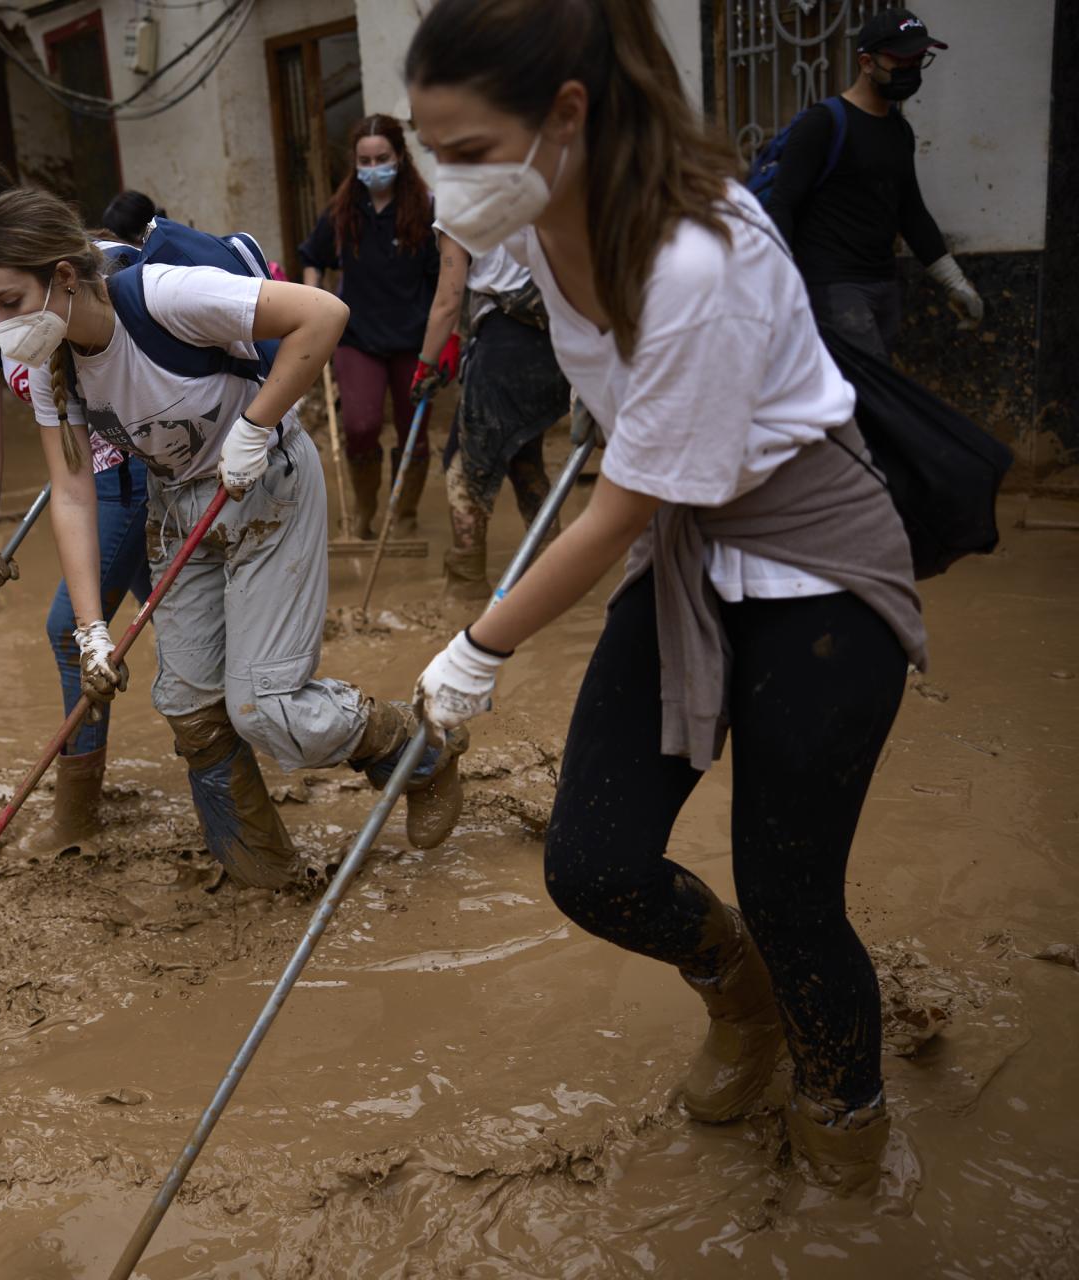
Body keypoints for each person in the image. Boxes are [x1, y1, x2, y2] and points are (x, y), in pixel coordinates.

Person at [405, 0, 928, 1198]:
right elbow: (573, 408)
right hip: (689, 543)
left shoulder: (702, 254)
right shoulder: (533, 217)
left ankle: (846, 1106)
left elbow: (618, 507)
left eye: (469, 149)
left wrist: (478, 646)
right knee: (591, 862)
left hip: (813, 565)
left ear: (569, 116)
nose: (450, 181)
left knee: (794, 890)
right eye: (434, 147)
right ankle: (739, 998)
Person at [0, 186, 469, 886]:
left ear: (62, 276)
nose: (0, 326)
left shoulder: (164, 295)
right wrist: (90, 631)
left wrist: (257, 423)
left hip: (267, 484)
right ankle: (260, 869)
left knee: (265, 708)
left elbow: (323, 315)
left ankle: (420, 751)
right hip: (178, 509)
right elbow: (74, 492)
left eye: (8, 303)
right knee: (189, 704)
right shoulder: (55, 370)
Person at [0, 152, 156, 850]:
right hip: (89, 474)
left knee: (72, 631)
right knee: (169, 617)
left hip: (140, 469)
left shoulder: (85, 275)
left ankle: (78, 814)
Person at [765, 7, 981, 358]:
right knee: (871, 395)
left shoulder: (899, 130)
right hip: (833, 287)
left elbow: (910, 211)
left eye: (918, 62)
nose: (911, 72)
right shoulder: (824, 123)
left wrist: (954, 281)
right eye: (902, 62)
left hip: (882, 284)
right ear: (867, 63)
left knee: (870, 398)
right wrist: (777, 286)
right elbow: (783, 203)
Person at [298, 114, 461, 537]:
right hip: (358, 338)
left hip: (414, 339)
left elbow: (446, 280)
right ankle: (367, 511)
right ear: (354, 163)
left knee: (413, 434)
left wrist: (448, 337)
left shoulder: (426, 211)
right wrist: (314, 300)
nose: (373, 168)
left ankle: (403, 516)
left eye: (382, 158)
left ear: (401, 157)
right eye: (364, 160)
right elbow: (314, 257)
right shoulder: (341, 212)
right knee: (361, 425)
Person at [431, 232, 572, 610]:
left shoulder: (460, 206)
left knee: (464, 465)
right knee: (525, 460)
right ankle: (552, 581)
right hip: (550, 340)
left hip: (504, 340)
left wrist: (426, 361)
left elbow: (448, 300)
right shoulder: (534, 186)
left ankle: (467, 585)